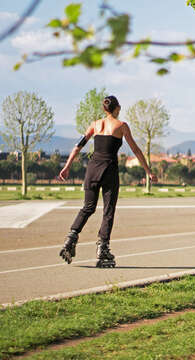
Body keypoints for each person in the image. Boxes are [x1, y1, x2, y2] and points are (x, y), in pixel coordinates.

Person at [58, 96, 157, 268]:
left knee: (88, 207)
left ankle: (70, 239)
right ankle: (102, 249)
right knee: (108, 210)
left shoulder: (95, 125)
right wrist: (148, 171)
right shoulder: (121, 126)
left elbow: (78, 146)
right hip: (109, 170)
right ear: (117, 108)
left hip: (92, 170)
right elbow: (136, 149)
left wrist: (66, 167)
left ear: (105, 109)